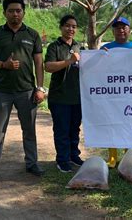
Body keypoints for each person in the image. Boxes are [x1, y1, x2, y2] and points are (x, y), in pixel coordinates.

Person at [0, 0, 46, 188]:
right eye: (11, 10)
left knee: (29, 131)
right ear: (4, 12)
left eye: (18, 10)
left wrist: (40, 88)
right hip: (2, 92)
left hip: (27, 92)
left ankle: (32, 164)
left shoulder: (33, 34)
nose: (15, 14)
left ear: (24, 12)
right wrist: (3, 64)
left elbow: (39, 63)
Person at [45, 15, 84, 173]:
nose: (71, 29)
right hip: (60, 96)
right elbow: (48, 66)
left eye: (74, 26)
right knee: (61, 130)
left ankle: (74, 155)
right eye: (67, 26)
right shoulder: (54, 46)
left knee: (74, 129)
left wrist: (103, 54)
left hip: (78, 97)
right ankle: (62, 159)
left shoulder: (79, 46)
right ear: (61, 27)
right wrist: (69, 61)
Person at [101, 16, 132, 168]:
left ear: (129, 29)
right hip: (112, 95)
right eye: (117, 28)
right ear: (113, 31)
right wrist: (100, 57)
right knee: (113, 123)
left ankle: (128, 155)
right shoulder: (106, 48)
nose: (121, 30)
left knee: (129, 125)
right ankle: (112, 157)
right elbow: (98, 71)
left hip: (131, 94)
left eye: (124, 27)